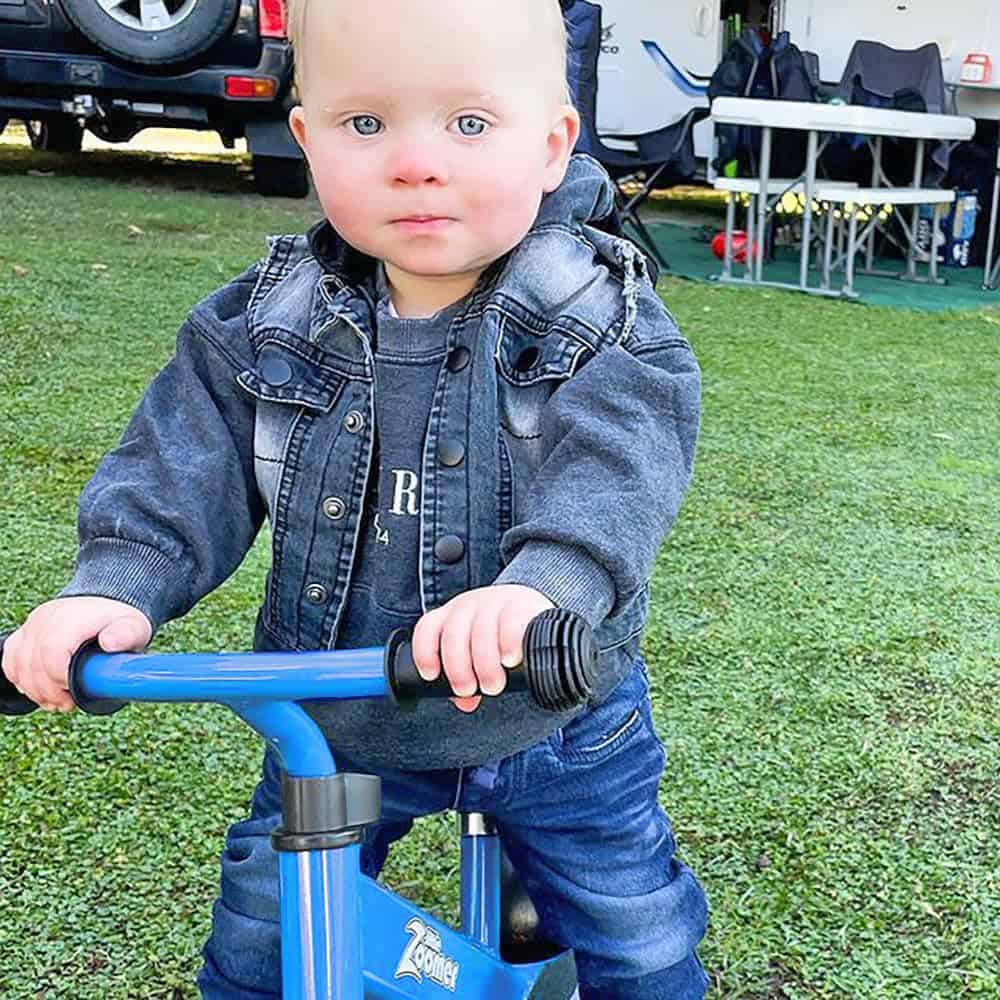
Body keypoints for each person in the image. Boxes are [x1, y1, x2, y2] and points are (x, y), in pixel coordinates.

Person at [1, 0, 708, 995]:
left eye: (467, 123)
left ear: (552, 146)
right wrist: (111, 584)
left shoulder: (596, 314)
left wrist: (543, 586)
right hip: (332, 724)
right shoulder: (263, 323)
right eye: (366, 124)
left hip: (546, 719)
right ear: (307, 134)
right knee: (257, 950)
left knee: (634, 941)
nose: (414, 162)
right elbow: (180, 462)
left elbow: (620, 459)